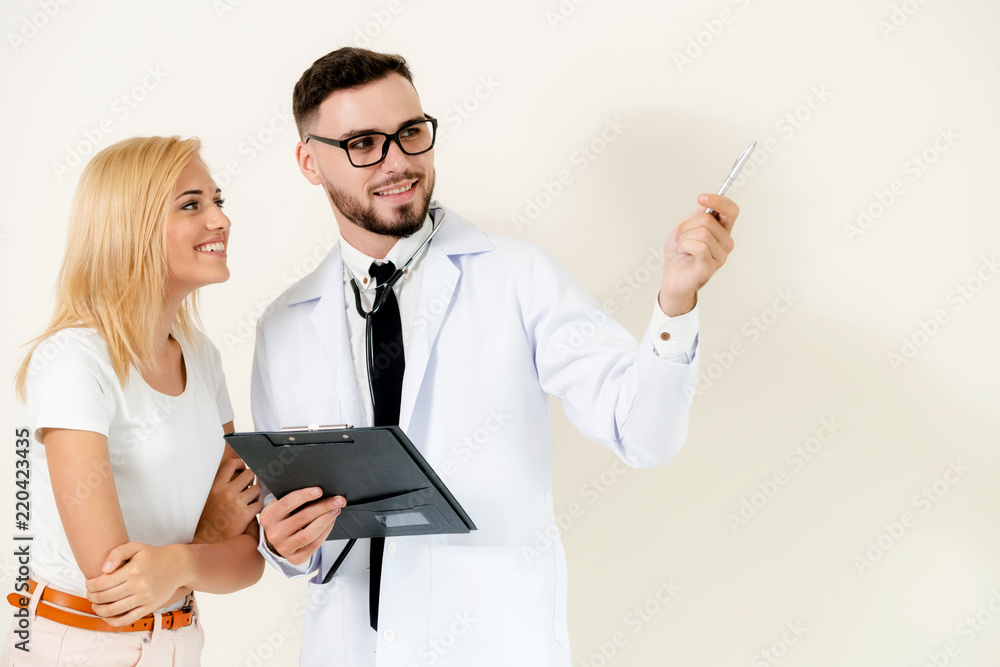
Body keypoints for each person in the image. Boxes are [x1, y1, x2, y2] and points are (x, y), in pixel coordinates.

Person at [251, 48, 740, 666]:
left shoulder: (518, 278)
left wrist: (675, 300)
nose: (397, 161)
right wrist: (284, 544)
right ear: (309, 162)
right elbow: (287, 523)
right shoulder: (283, 327)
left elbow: (644, 435)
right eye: (363, 144)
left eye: (410, 133)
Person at [3, 136, 265, 666]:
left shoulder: (202, 357)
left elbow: (249, 557)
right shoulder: (76, 361)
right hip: (78, 646)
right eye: (192, 204)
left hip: (179, 640)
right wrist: (202, 544)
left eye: (218, 201)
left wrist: (178, 563)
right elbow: (117, 589)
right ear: (132, 226)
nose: (220, 220)